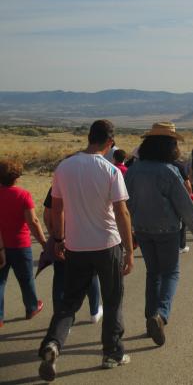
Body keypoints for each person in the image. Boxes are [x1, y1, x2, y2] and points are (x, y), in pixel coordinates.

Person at [38, 120, 134, 380]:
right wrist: (129, 249)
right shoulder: (111, 171)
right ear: (110, 143)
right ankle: (112, 353)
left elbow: (56, 208)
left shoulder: (64, 167)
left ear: (89, 137)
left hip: (75, 245)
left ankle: (53, 343)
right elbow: (121, 211)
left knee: (69, 302)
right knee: (113, 299)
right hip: (107, 244)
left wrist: (58, 240)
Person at [125, 122, 193, 347]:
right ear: (169, 146)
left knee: (153, 274)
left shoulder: (134, 170)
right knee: (171, 273)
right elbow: (184, 204)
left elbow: (125, 202)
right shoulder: (168, 171)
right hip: (167, 229)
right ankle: (160, 315)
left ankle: (150, 318)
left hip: (141, 228)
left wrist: (128, 229)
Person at [43, 187, 102, 322]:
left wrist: (55, 235)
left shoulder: (58, 187)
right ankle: (94, 311)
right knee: (91, 275)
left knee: (60, 278)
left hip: (63, 239)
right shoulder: (91, 185)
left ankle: (61, 318)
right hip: (85, 239)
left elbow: (47, 215)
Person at [0, 160, 47, 328]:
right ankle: (32, 307)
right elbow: (33, 221)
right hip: (20, 245)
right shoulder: (23, 195)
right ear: (17, 177)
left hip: (1, 246)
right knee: (26, 279)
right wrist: (43, 242)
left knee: (0, 282)